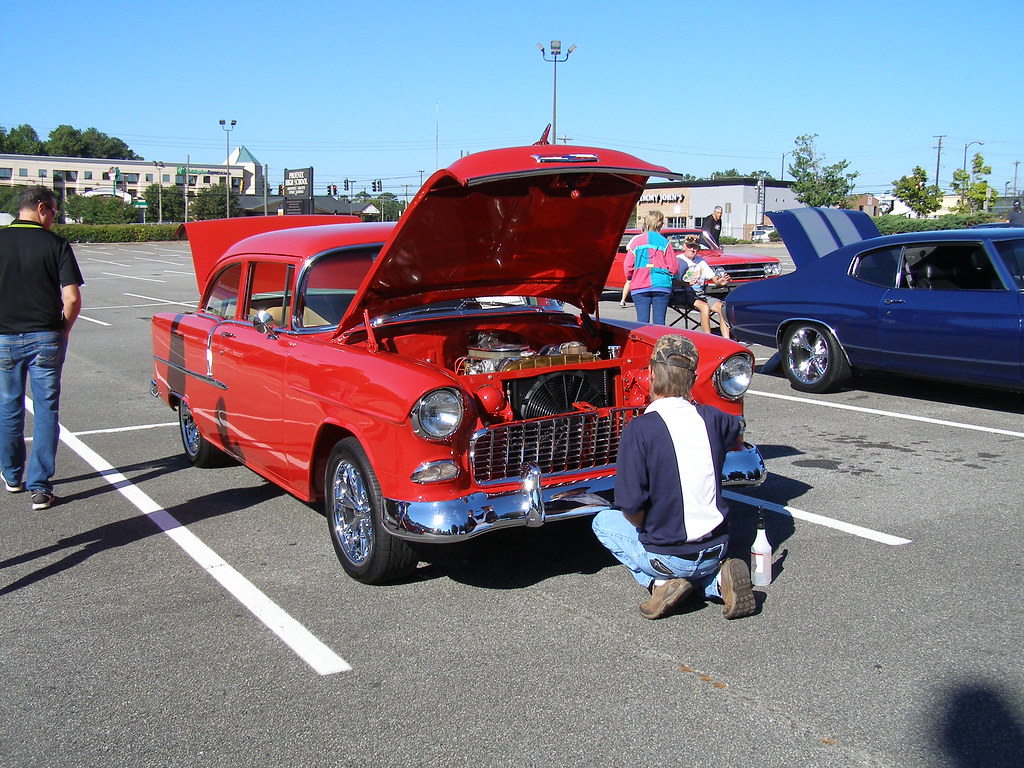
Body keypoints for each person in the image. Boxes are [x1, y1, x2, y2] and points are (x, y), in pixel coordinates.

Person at [592, 334, 756, 620]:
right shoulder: (714, 420)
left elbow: (630, 504)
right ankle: (717, 582)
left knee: (602, 522)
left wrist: (646, 528)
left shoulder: (639, 429)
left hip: (668, 556)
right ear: (692, 379)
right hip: (717, 546)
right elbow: (734, 426)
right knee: (699, 567)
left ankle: (659, 583)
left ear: (652, 373)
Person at [0, 186, 83, 510]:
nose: (54, 217)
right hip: (45, 336)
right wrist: (63, 330)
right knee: (46, 410)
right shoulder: (56, 245)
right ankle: (40, 487)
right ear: (40, 208)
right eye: (53, 210)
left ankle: (11, 474)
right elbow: (72, 298)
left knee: (9, 406)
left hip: (5, 336)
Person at [624, 211, 677, 324]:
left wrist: (630, 278)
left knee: (642, 323)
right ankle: (659, 341)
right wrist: (670, 277)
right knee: (659, 322)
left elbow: (627, 266)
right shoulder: (665, 243)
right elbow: (673, 268)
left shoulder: (635, 242)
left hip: (640, 285)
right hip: (661, 285)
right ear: (660, 224)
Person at [677, 235, 733, 339]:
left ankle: (726, 340)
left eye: (695, 247)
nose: (692, 249)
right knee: (705, 307)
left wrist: (720, 282)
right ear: (684, 247)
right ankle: (708, 339)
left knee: (723, 307)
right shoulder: (678, 260)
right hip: (682, 293)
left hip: (700, 294)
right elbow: (672, 281)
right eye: (690, 246)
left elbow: (714, 278)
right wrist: (685, 284)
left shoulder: (700, 261)